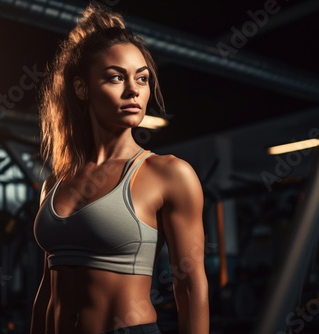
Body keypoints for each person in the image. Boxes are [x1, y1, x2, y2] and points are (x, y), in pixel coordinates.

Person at [31, 2, 209, 333]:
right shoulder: (56, 181)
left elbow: (190, 285)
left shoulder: (168, 174)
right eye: (116, 77)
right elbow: (48, 287)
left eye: (142, 79)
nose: (133, 91)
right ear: (81, 88)